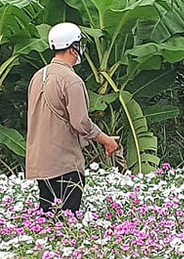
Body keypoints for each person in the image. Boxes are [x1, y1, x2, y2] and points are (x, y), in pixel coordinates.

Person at [24, 22, 119, 213]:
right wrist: (106, 140)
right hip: (65, 162)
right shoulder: (71, 80)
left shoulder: (38, 76)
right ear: (73, 48)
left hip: (40, 162)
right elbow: (81, 122)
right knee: (69, 217)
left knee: (47, 215)